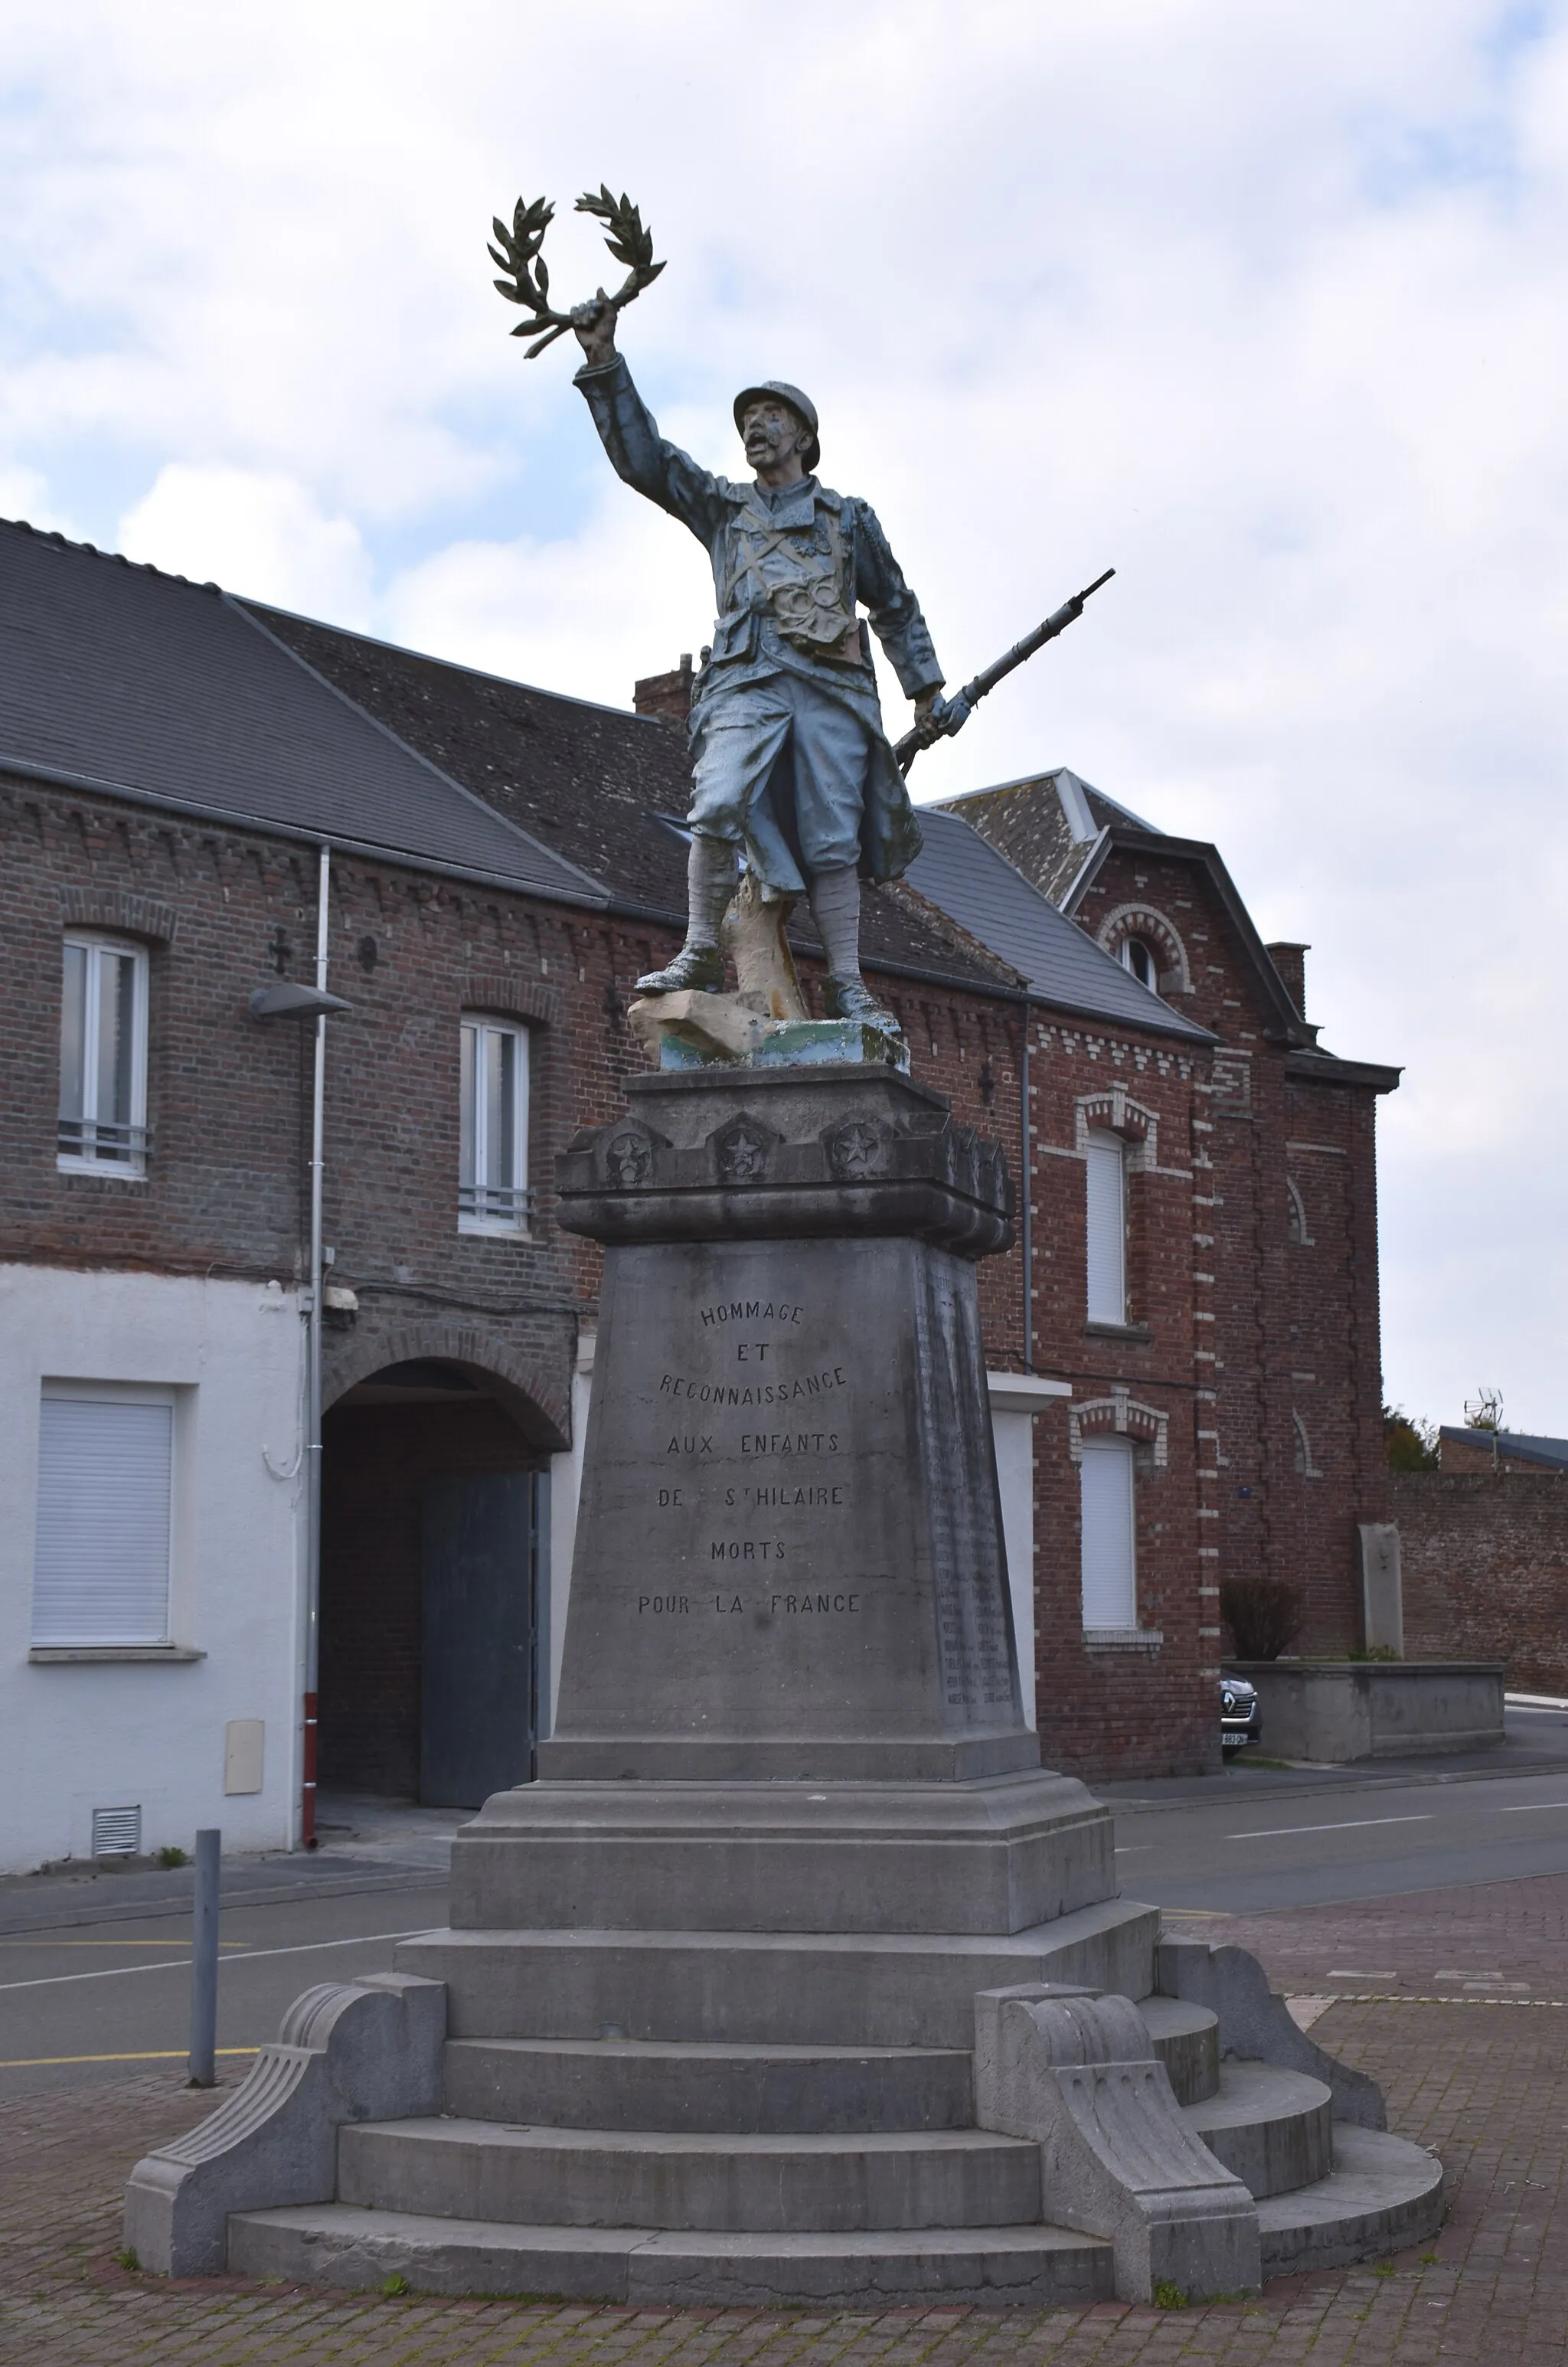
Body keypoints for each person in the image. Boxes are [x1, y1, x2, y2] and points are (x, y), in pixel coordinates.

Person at [570, 293, 951, 1027]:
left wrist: (925, 689)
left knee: (833, 837)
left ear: (805, 435)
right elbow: (646, 460)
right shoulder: (722, 508)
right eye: (747, 419)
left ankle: (847, 983)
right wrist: (603, 360)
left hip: (833, 690)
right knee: (714, 804)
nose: (754, 427)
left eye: (770, 416)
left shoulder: (847, 519)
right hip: (746, 681)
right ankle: (700, 947)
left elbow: (894, 603)